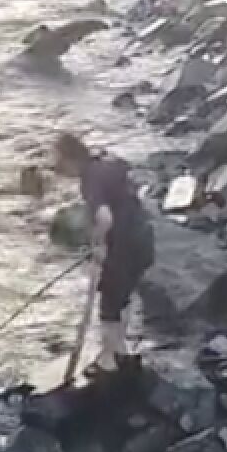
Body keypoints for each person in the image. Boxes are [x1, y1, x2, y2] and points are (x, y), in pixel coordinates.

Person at [52, 132, 155, 377]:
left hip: (123, 247)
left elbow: (105, 217)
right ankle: (122, 350)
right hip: (143, 237)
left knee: (109, 304)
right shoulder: (105, 162)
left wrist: (98, 244)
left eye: (60, 164)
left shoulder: (89, 179)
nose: (59, 170)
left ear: (70, 159)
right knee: (124, 298)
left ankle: (109, 360)